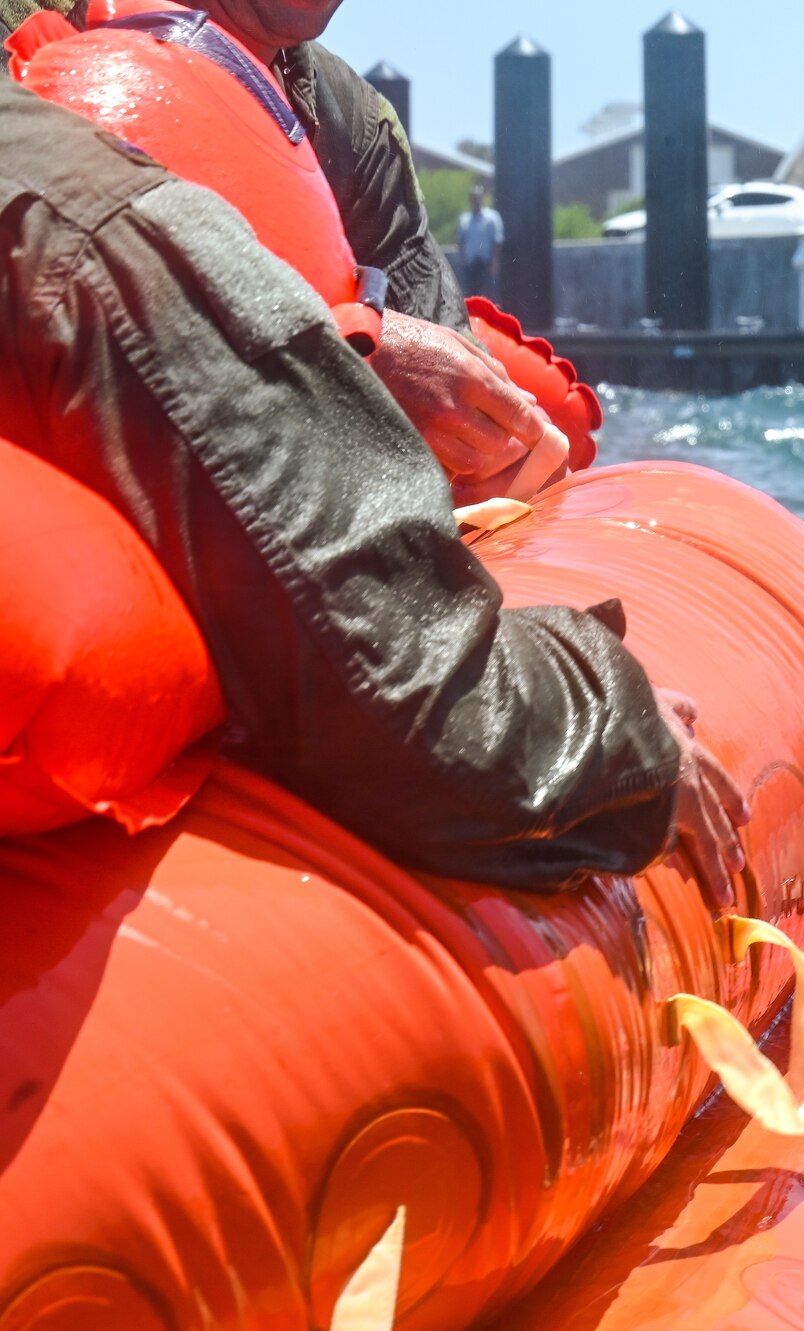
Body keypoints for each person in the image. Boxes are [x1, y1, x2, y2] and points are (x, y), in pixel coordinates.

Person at [0, 76, 748, 899]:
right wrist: (621, 740)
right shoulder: (89, 223)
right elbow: (407, 705)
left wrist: (356, 346)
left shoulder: (345, 122)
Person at [1, 0, 557, 507]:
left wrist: (480, 447)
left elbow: (452, 392)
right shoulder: (20, 42)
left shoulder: (358, 128)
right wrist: (346, 361)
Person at [458, 182, 504, 301]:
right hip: (471, 263)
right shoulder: (465, 219)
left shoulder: (492, 217)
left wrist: (494, 261)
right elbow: (460, 241)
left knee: (489, 295)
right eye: (473, 198)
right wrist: (463, 260)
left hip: (486, 263)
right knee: (471, 295)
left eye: (478, 197)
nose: (476, 200)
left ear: (482, 198)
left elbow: (498, 240)